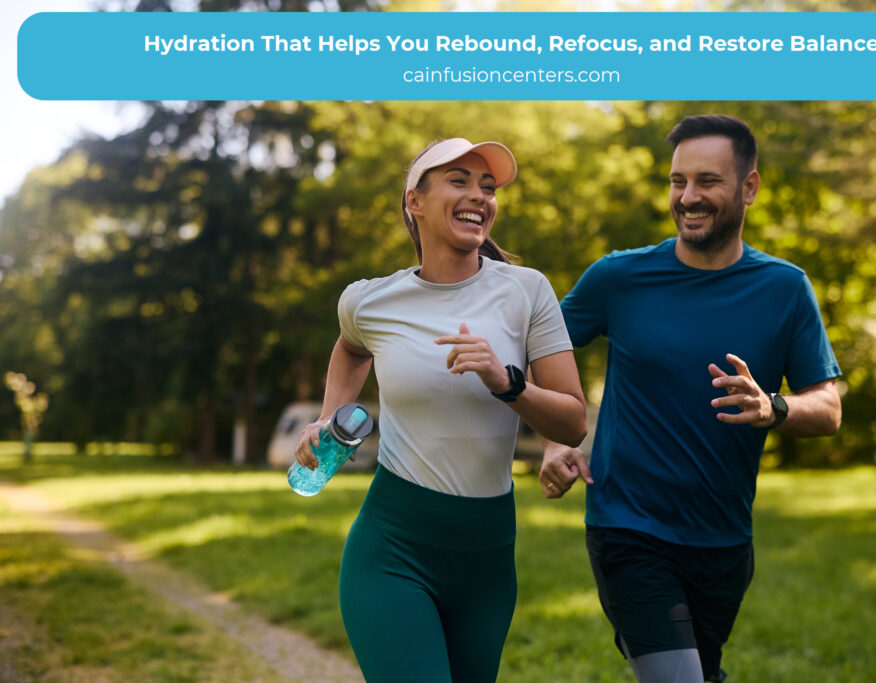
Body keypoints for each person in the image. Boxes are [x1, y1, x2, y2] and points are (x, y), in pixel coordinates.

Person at [540, 115, 843, 683]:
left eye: (707, 181)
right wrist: (557, 436)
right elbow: (540, 347)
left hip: (724, 540)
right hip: (628, 528)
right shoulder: (619, 278)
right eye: (678, 182)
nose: (689, 197)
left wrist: (773, 407)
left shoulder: (784, 288)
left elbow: (827, 408)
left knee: (701, 674)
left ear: (749, 187)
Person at [293, 137, 587, 683]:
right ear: (415, 201)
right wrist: (329, 415)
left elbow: (572, 420)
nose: (479, 195)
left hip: (487, 557)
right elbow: (351, 347)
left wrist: (507, 382)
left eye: (488, 187)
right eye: (459, 180)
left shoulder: (527, 292)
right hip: (393, 548)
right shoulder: (369, 300)